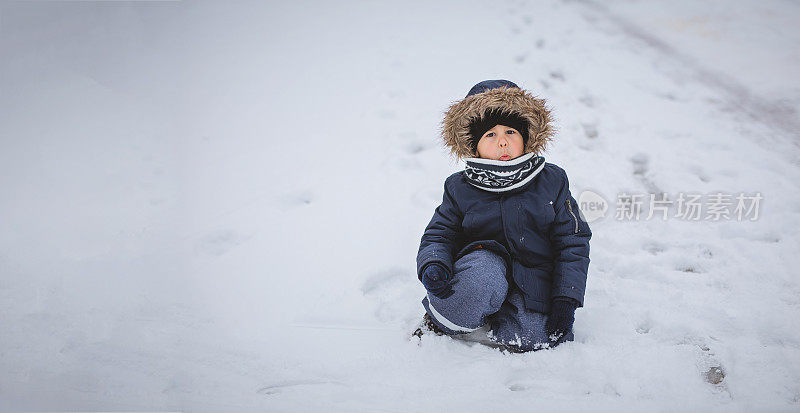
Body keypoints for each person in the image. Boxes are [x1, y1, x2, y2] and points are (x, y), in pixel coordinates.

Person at [414, 79, 592, 352]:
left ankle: (511, 314)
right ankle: (450, 316)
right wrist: (433, 264)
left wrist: (566, 299)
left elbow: (573, 241)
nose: (503, 143)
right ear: (473, 144)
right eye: (490, 135)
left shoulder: (552, 181)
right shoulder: (459, 187)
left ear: (527, 137)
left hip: (533, 277)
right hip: (482, 270)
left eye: (511, 131)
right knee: (475, 286)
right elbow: (440, 233)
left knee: (536, 339)